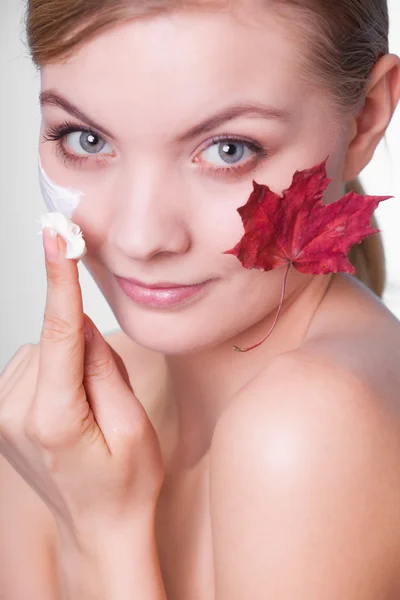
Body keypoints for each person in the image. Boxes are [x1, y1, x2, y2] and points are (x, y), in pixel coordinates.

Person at [1, 0, 400, 597]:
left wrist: (99, 533)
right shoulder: (64, 420)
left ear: (365, 119)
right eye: (85, 139)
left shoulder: (306, 427)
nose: (141, 237)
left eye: (227, 150)